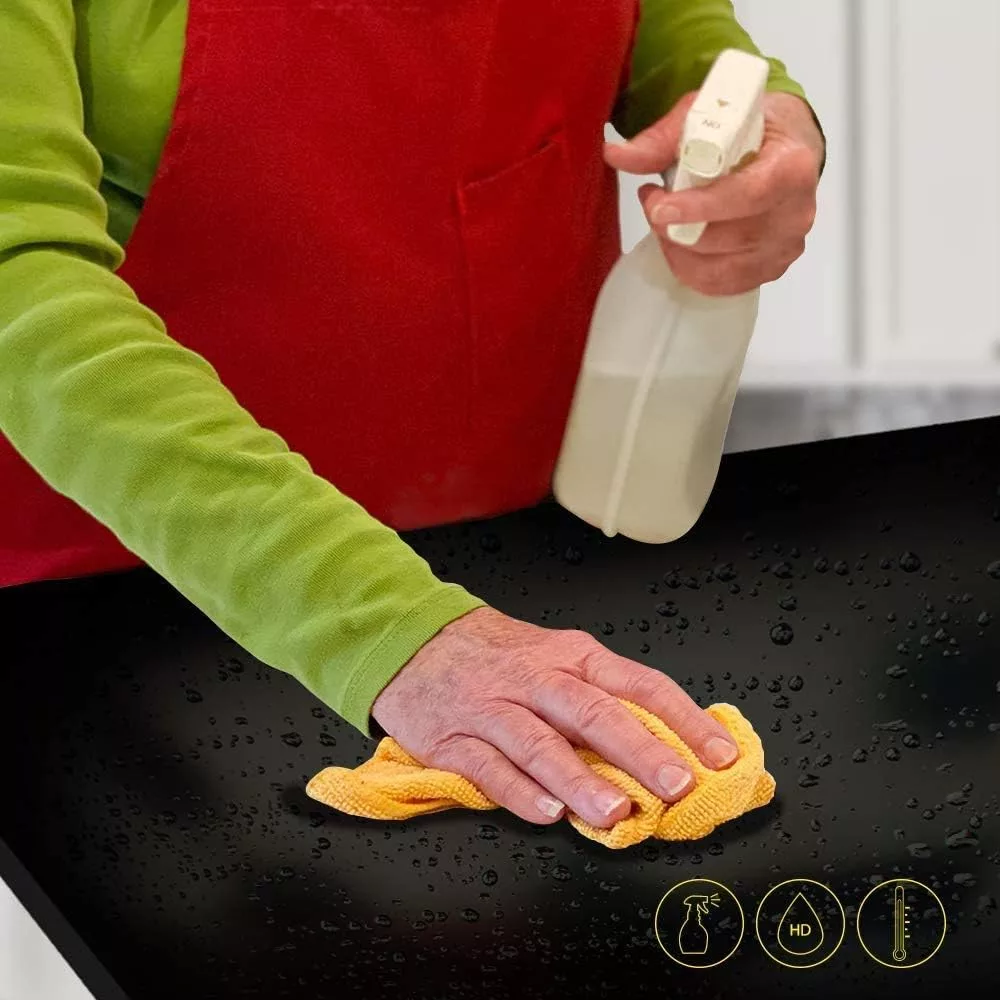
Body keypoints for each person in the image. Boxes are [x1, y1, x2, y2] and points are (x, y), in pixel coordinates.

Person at [0, 0, 824, 832]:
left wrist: (738, 100)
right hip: (137, 603)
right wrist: (394, 630)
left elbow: (661, 18)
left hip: (535, 554)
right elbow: (17, 278)